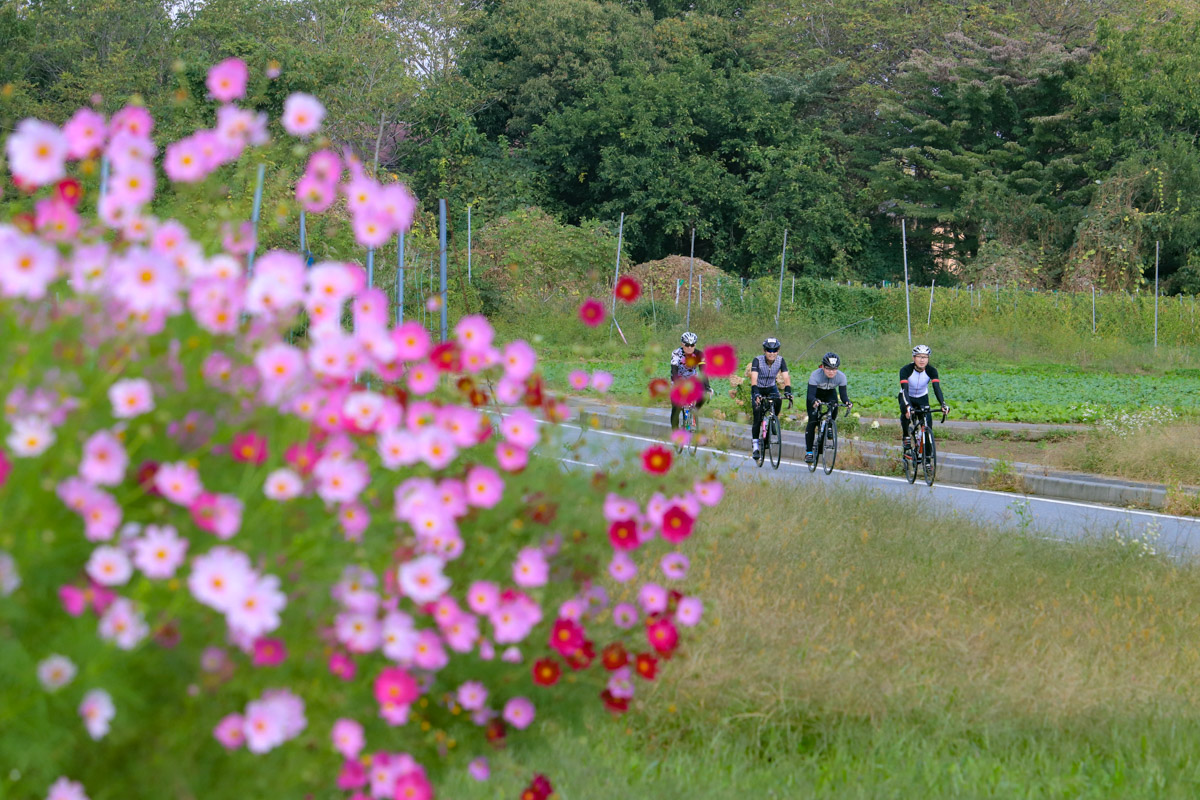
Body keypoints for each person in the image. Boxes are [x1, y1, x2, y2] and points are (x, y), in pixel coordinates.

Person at [899, 344, 949, 449]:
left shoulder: (931, 370)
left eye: (925, 357)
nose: (922, 360)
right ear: (914, 358)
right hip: (907, 395)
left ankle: (927, 459)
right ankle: (906, 436)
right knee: (907, 413)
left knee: (928, 424)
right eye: (919, 356)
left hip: (922, 397)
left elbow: (936, 388)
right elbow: (905, 389)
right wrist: (908, 406)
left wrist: (943, 404)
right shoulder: (905, 370)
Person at [805, 352, 852, 463]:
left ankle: (829, 425)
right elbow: (810, 395)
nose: (831, 372)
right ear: (823, 367)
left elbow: (843, 395)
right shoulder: (815, 375)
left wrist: (847, 402)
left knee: (835, 404)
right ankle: (809, 452)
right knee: (812, 422)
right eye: (828, 369)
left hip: (830, 393)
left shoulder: (841, 377)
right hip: (816, 394)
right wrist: (814, 401)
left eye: (834, 369)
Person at [748, 337, 792, 456]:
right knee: (757, 415)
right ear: (764, 350)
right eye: (769, 350)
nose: (771, 353)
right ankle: (756, 446)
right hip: (758, 387)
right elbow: (754, 379)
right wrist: (756, 393)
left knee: (778, 400)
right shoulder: (757, 360)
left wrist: (788, 390)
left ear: (778, 350)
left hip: (771, 387)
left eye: (774, 350)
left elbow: (786, 377)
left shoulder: (781, 360)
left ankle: (772, 419)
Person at [669, 331, 712, 430]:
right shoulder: (676, 353)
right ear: (682, 344)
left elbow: (703, 371)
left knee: (705, 393)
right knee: (676, 409)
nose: (689, 348)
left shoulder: (699, 354)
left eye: (692, 345)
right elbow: (674, 370)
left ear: (695, 345)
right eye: (687, 345)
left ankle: (694, 411)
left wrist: (708, 387)